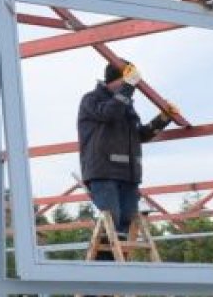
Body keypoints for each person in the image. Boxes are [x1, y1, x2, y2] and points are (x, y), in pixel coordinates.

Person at [76, 62, 178, 237]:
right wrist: (128, 87)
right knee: (111, 222)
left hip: (128, 175)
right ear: (114, 81)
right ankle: (104, 264)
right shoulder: (92, 100)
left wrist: (163, 118)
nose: (129, 86)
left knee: (126, 225)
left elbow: (139, 135)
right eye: (126, 81)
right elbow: (109, 113)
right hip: (104, 172)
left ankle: (117, 262)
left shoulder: (125, 105)